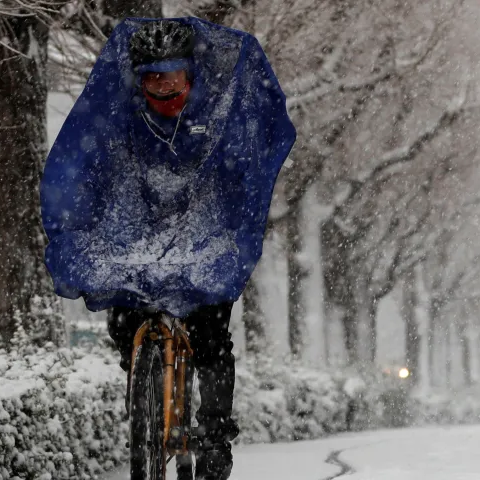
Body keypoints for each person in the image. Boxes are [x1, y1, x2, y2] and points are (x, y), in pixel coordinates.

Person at [40, 18, 296, 480]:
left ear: (191, 76)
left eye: (172, 76)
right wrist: (77, 220)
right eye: (152, 77)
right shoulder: (119, 116)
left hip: (203, 238)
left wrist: (234, 222)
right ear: (137, 79)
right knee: (123, 320)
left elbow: (242, 172)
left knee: (212, 338)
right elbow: (83, 166)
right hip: (136, 237)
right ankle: (146, 383)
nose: (162, 87)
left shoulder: (218, 118)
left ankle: (215, 436)